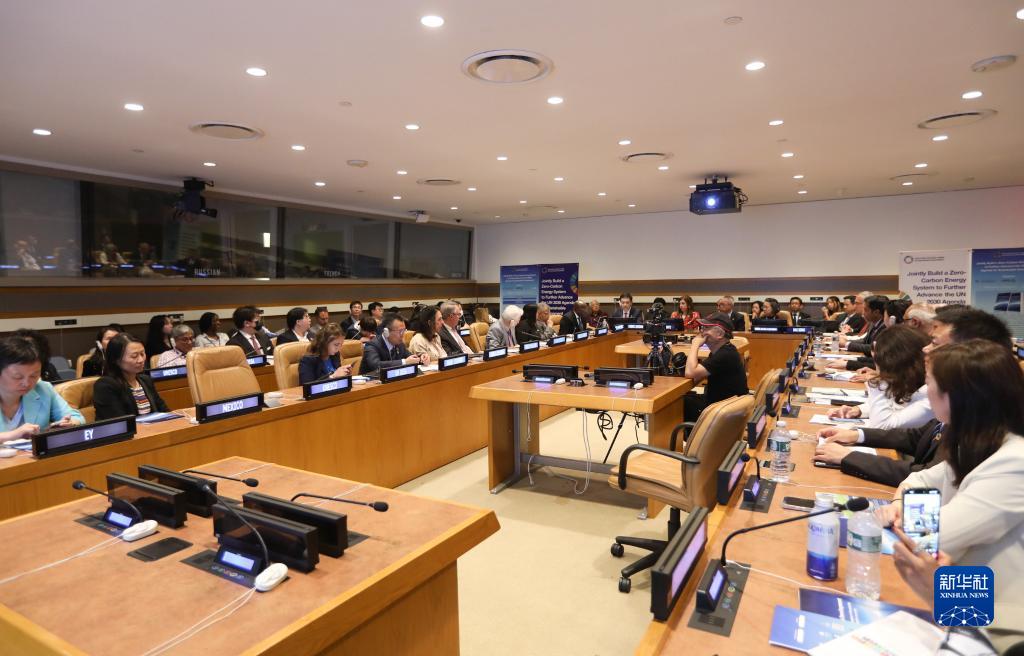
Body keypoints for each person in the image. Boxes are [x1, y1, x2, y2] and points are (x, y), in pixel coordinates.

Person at [875, 340, 1024, 651]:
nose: (926, 391)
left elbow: (930, 541)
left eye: (930, 383)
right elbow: (917, 480)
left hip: (999, 631)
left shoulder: (1015, 462)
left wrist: (909, 516)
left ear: (955, 397)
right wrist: (901, 503)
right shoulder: (974, 446)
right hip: (962, 609)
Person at [825, 325, 933, 429]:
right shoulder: (910, 381)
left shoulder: (929, 392)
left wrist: (878, 381)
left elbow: (881, 426)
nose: (927, 350)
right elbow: (896, 405)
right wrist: (858, 410)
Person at [0, 337, 83, 442]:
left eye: (33, 376)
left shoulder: (43, 389)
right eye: (18, 377)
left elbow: (77, 417)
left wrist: (70, 423)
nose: (26, 383)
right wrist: (13, 435)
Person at [682, 313, 749, 422]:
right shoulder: (723, 351)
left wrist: (695, 344)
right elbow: (697, 376)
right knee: (685, 398)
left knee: (679, 404)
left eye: (706, 328)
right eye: (702, 328)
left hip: (723, 413)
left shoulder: (725, 354)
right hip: (723, 406)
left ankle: (690, 433)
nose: (701, 332)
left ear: (719, 334)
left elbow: (690, 373)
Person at [93, 334, 170, 420]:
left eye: (142, 354)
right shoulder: (105, 385)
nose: (141, 360)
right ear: (116, 360)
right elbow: (120, 422)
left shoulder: (146, 380)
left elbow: (164, 411)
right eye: (134, 356)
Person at [360, 314, 426, 374]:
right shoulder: (372, 345)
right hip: (370, 382)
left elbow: (410, 357)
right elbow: (376, 365)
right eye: (400, 331)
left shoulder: (400, 344)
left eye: (404, 331)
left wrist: (421, 358)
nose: (403, 335)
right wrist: (404, 362)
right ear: (386, 332)